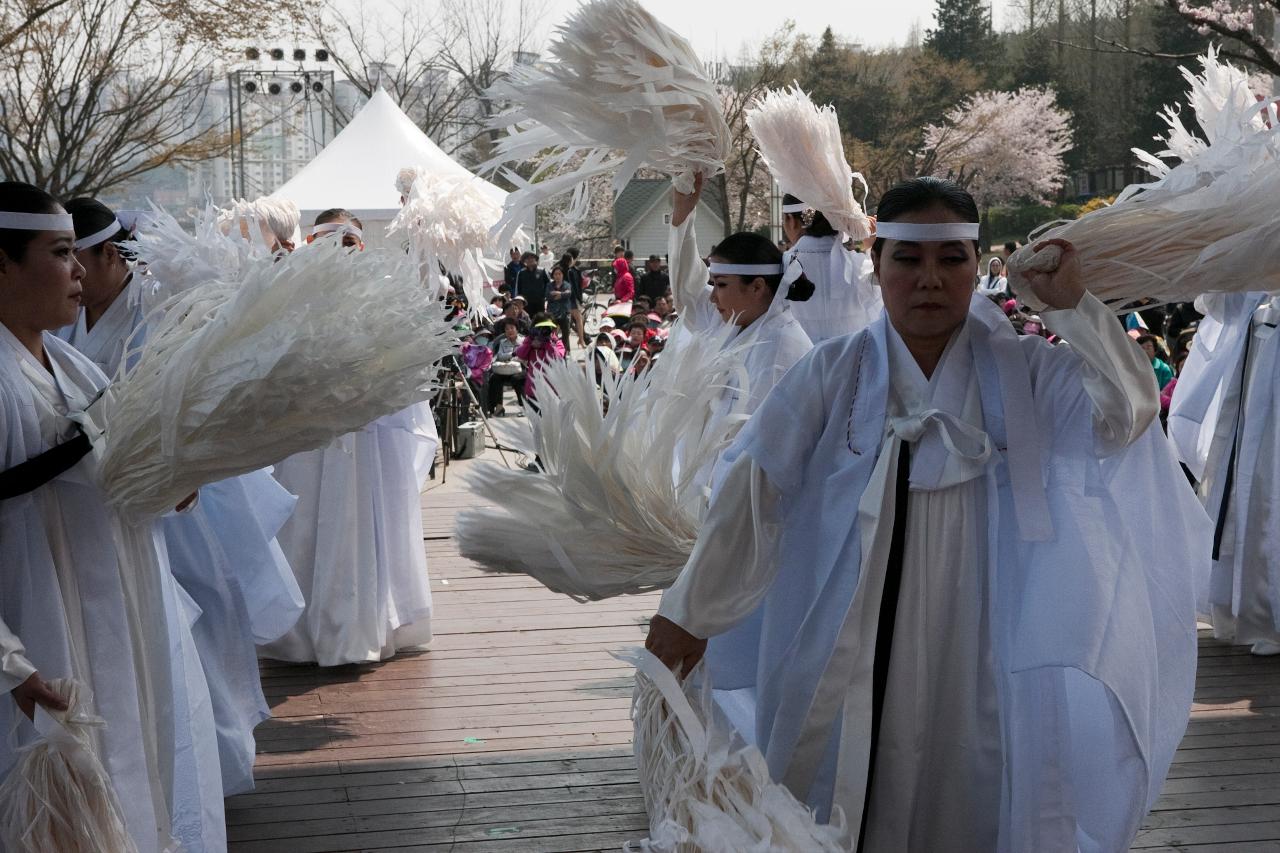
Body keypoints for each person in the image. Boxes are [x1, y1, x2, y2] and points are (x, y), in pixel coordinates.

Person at [646, 176, 1207, 851]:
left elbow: (1127, 414)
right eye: (908, 260)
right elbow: (752, 488)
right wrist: (688, 611)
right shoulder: (835, 372)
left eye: (951, 259)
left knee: (973, 773)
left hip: (982, 629)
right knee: (835, 784)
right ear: (877, 264)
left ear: (979, 267)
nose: (929, 280)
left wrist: (1073, 310)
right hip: (843, 627)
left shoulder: (1028, 372)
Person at [0, 181, 228, 851]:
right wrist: (11, 665)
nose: (78, 271)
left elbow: (120, 475)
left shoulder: (71, 367)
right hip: (35, 635)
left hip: (114, 624)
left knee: (123, 783)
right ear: (2, 263)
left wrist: (169, 481)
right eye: (60, 252)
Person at [62, 197, 304, 799]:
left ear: (110, 255)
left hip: (181, 498)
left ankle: (216, 756)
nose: (72, 274)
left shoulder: (163, 308)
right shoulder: (65, 321)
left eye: (76, 258)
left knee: (202, 624)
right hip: (106, 501)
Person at [260, 209, 438, 667]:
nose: (338, 252)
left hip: (362, 439)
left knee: (357, 526)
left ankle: (356, 627)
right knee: (305, 525)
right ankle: (298, 631)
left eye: (348, 243)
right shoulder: (293, 298)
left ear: (360, 247)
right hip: (308, 436)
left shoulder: (377, 299)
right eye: (328, 242)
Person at [1169, 292, 1280, 654]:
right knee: (1249, 503)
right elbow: (1213, 302)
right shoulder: (1254, 296)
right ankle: (1251, 612)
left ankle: (1267, 616)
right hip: (1250, 418)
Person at [780, 193, 883, 343]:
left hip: (797, 363)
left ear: (790, 220)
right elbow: (880, 317)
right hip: (853, 363)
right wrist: (871, 250)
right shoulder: (860, 266)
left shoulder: (780, 268)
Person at [515, 315, 567, 408]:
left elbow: (558, 358)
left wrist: (548, 344)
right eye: (541, 328)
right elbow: (520, 354)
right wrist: (530, 343)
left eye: (548, 328)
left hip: (552, 390)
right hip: (534, 389)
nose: (544, 330)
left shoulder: (557, 342)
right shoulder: (530, 341)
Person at [487, 317, 527, 415]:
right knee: (495, 378)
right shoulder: (502, 342)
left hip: (521, 368)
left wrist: (511, 357)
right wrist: (513, 354)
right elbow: (500, 356)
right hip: (506, 369)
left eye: (512, 328)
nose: (510, 330)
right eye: (507, 329)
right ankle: (498, 406)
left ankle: (524, 407)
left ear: (517, 329)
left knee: (516, 378)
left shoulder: (524, 341)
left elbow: (524, 356)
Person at [547, 264, 575, 353]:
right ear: (553, 276)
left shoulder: (567, 284)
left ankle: (565, 351)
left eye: (559, 274)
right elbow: (548, 295)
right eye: (555, 274)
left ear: (562, 275)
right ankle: (553, 350)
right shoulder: (549, 285)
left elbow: (568, 293)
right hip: (553, 312)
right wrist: (562, 294)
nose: (558, 276)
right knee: (552, 333)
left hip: (564, 312)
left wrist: (559, 294)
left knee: (566, 333)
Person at [515, 251, 550, 315]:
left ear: (535, 259)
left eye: (532, 258)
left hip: (540, 302)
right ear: (525, 261)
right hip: (526, 303)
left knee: (540, 320)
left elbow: (549, 285)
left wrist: (546, 297)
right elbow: (518, 288)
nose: (530, 260)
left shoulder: (542, 271)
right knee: (528, 321)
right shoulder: (521, 273)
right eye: (527, 258)